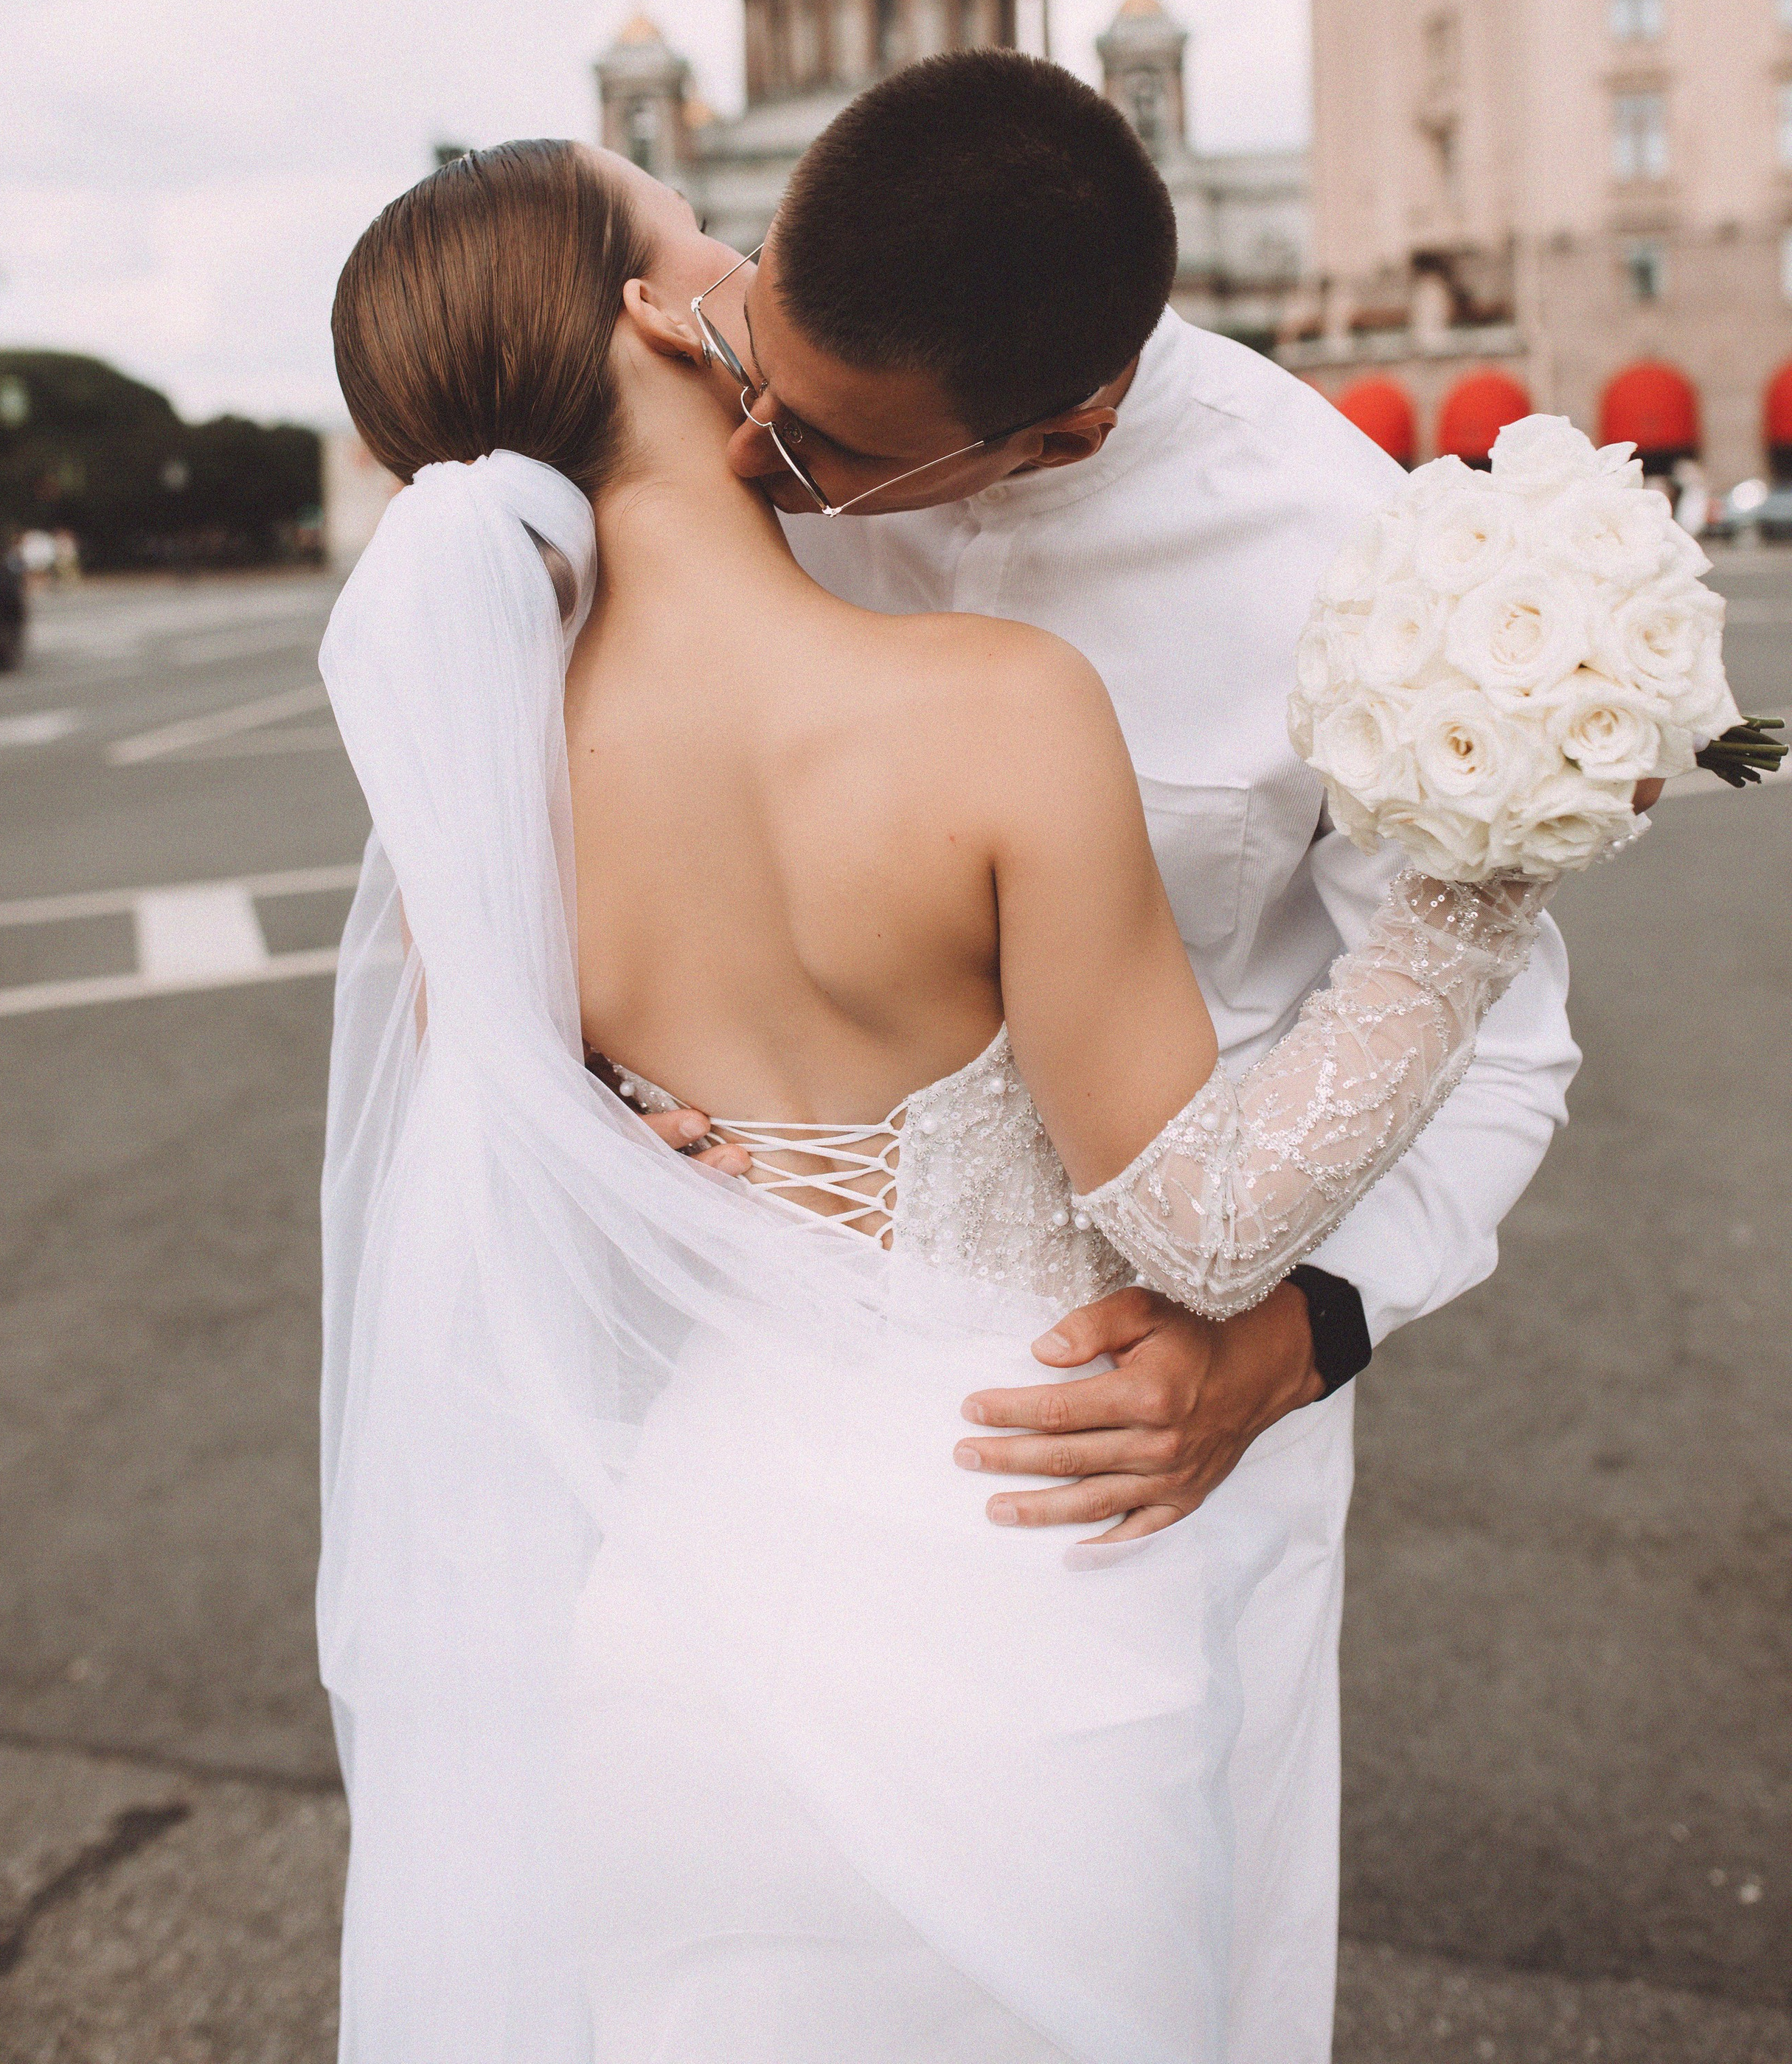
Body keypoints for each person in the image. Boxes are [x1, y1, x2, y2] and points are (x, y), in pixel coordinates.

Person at [317, 127, 1588, 2064]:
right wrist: (1482, 885)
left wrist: (600, 1114)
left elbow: (489, 1127)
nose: (747, 300)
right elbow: (1200, 1220)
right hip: (1022, 1578)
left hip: (684, 1592)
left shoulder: (485, 799)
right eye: (694, 225)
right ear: (664, 315)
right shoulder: (994, 707)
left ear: (1063, 425)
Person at [714, 49, 1584, 2058]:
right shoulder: (723, 406)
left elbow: (1508, 1044)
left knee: (1145, 1954)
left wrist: (1295, 1345)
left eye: (830, 451)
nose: (752, 456)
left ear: (1073, 417)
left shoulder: (1354, 568)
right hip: (772, 1364)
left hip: (1158, 1426)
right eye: (751, 362)